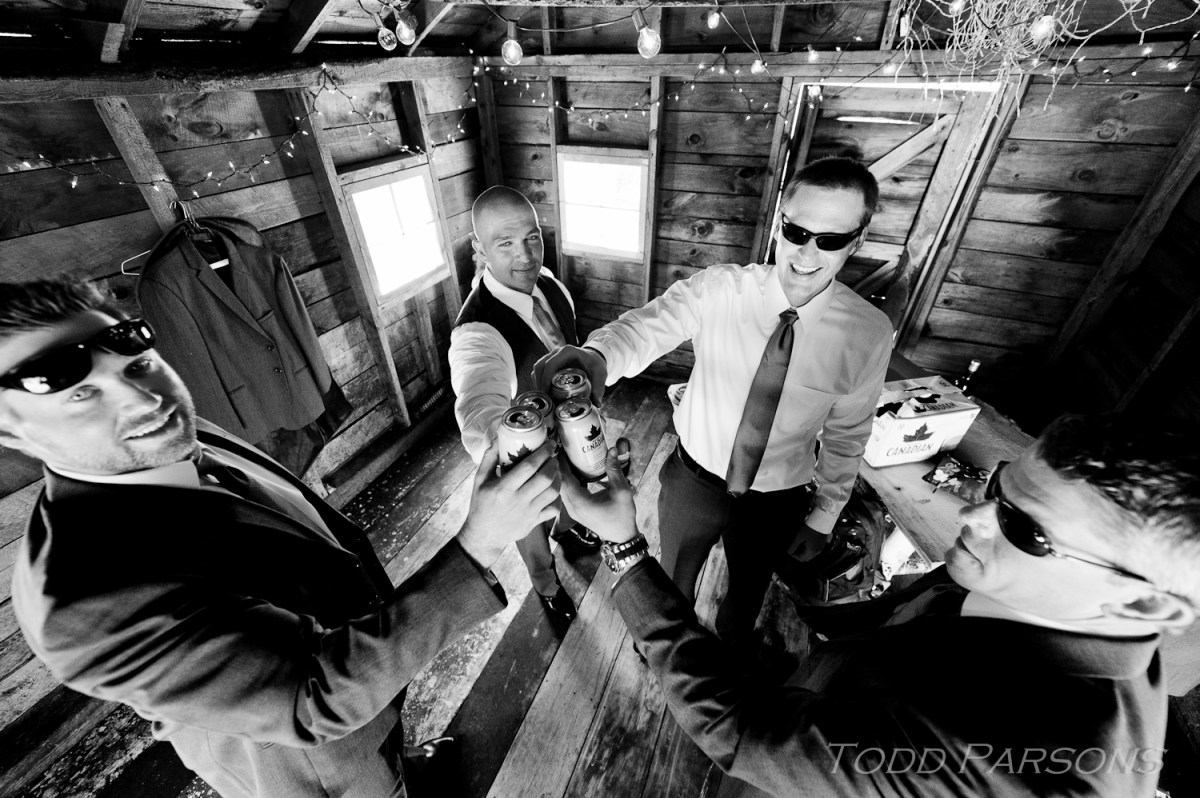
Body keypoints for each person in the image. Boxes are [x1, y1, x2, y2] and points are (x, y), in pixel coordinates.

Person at [2, 277, 561, 798]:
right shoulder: (78, 601)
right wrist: (478, 543)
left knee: (386, 740)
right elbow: (313, 698)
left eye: (139, 364)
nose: (143, 399)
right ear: (8, 427)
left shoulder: (172, 428)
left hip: (366, 662)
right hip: (314, 761)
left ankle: (401, 758)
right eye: (79, 394)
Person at [563, 415, 1200, 797]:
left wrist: (625, 549)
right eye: (998, 486)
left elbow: (741, 730)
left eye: (1027, 529)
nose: (974, 516)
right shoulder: (1079, 617)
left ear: (1149, 602)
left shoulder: (1005, 766)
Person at [538, 157, 893, 650]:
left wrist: (824, 515)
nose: (807, 253)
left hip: (778, 498)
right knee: (671, 584)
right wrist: (597, 357)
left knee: (747, 595)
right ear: (780, 222)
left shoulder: (868, 334)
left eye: (830, 240)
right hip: (693, 480)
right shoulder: (720, 288)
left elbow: (848, 433)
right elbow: (647, 326)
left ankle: (731, 655)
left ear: (857, 240)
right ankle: (663, 651)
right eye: (796, 232)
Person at [449, 185, 599, 627]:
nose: (526, 256)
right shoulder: (477, 332)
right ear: (479, 249)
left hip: (569, 432)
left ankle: (569, 529)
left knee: (572, 485)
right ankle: (546, 584)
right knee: (530, 526)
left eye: (532, 237)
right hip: (524, 463)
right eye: (506, 243)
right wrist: (507, 452)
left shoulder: (552, 285)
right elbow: (478, 399)